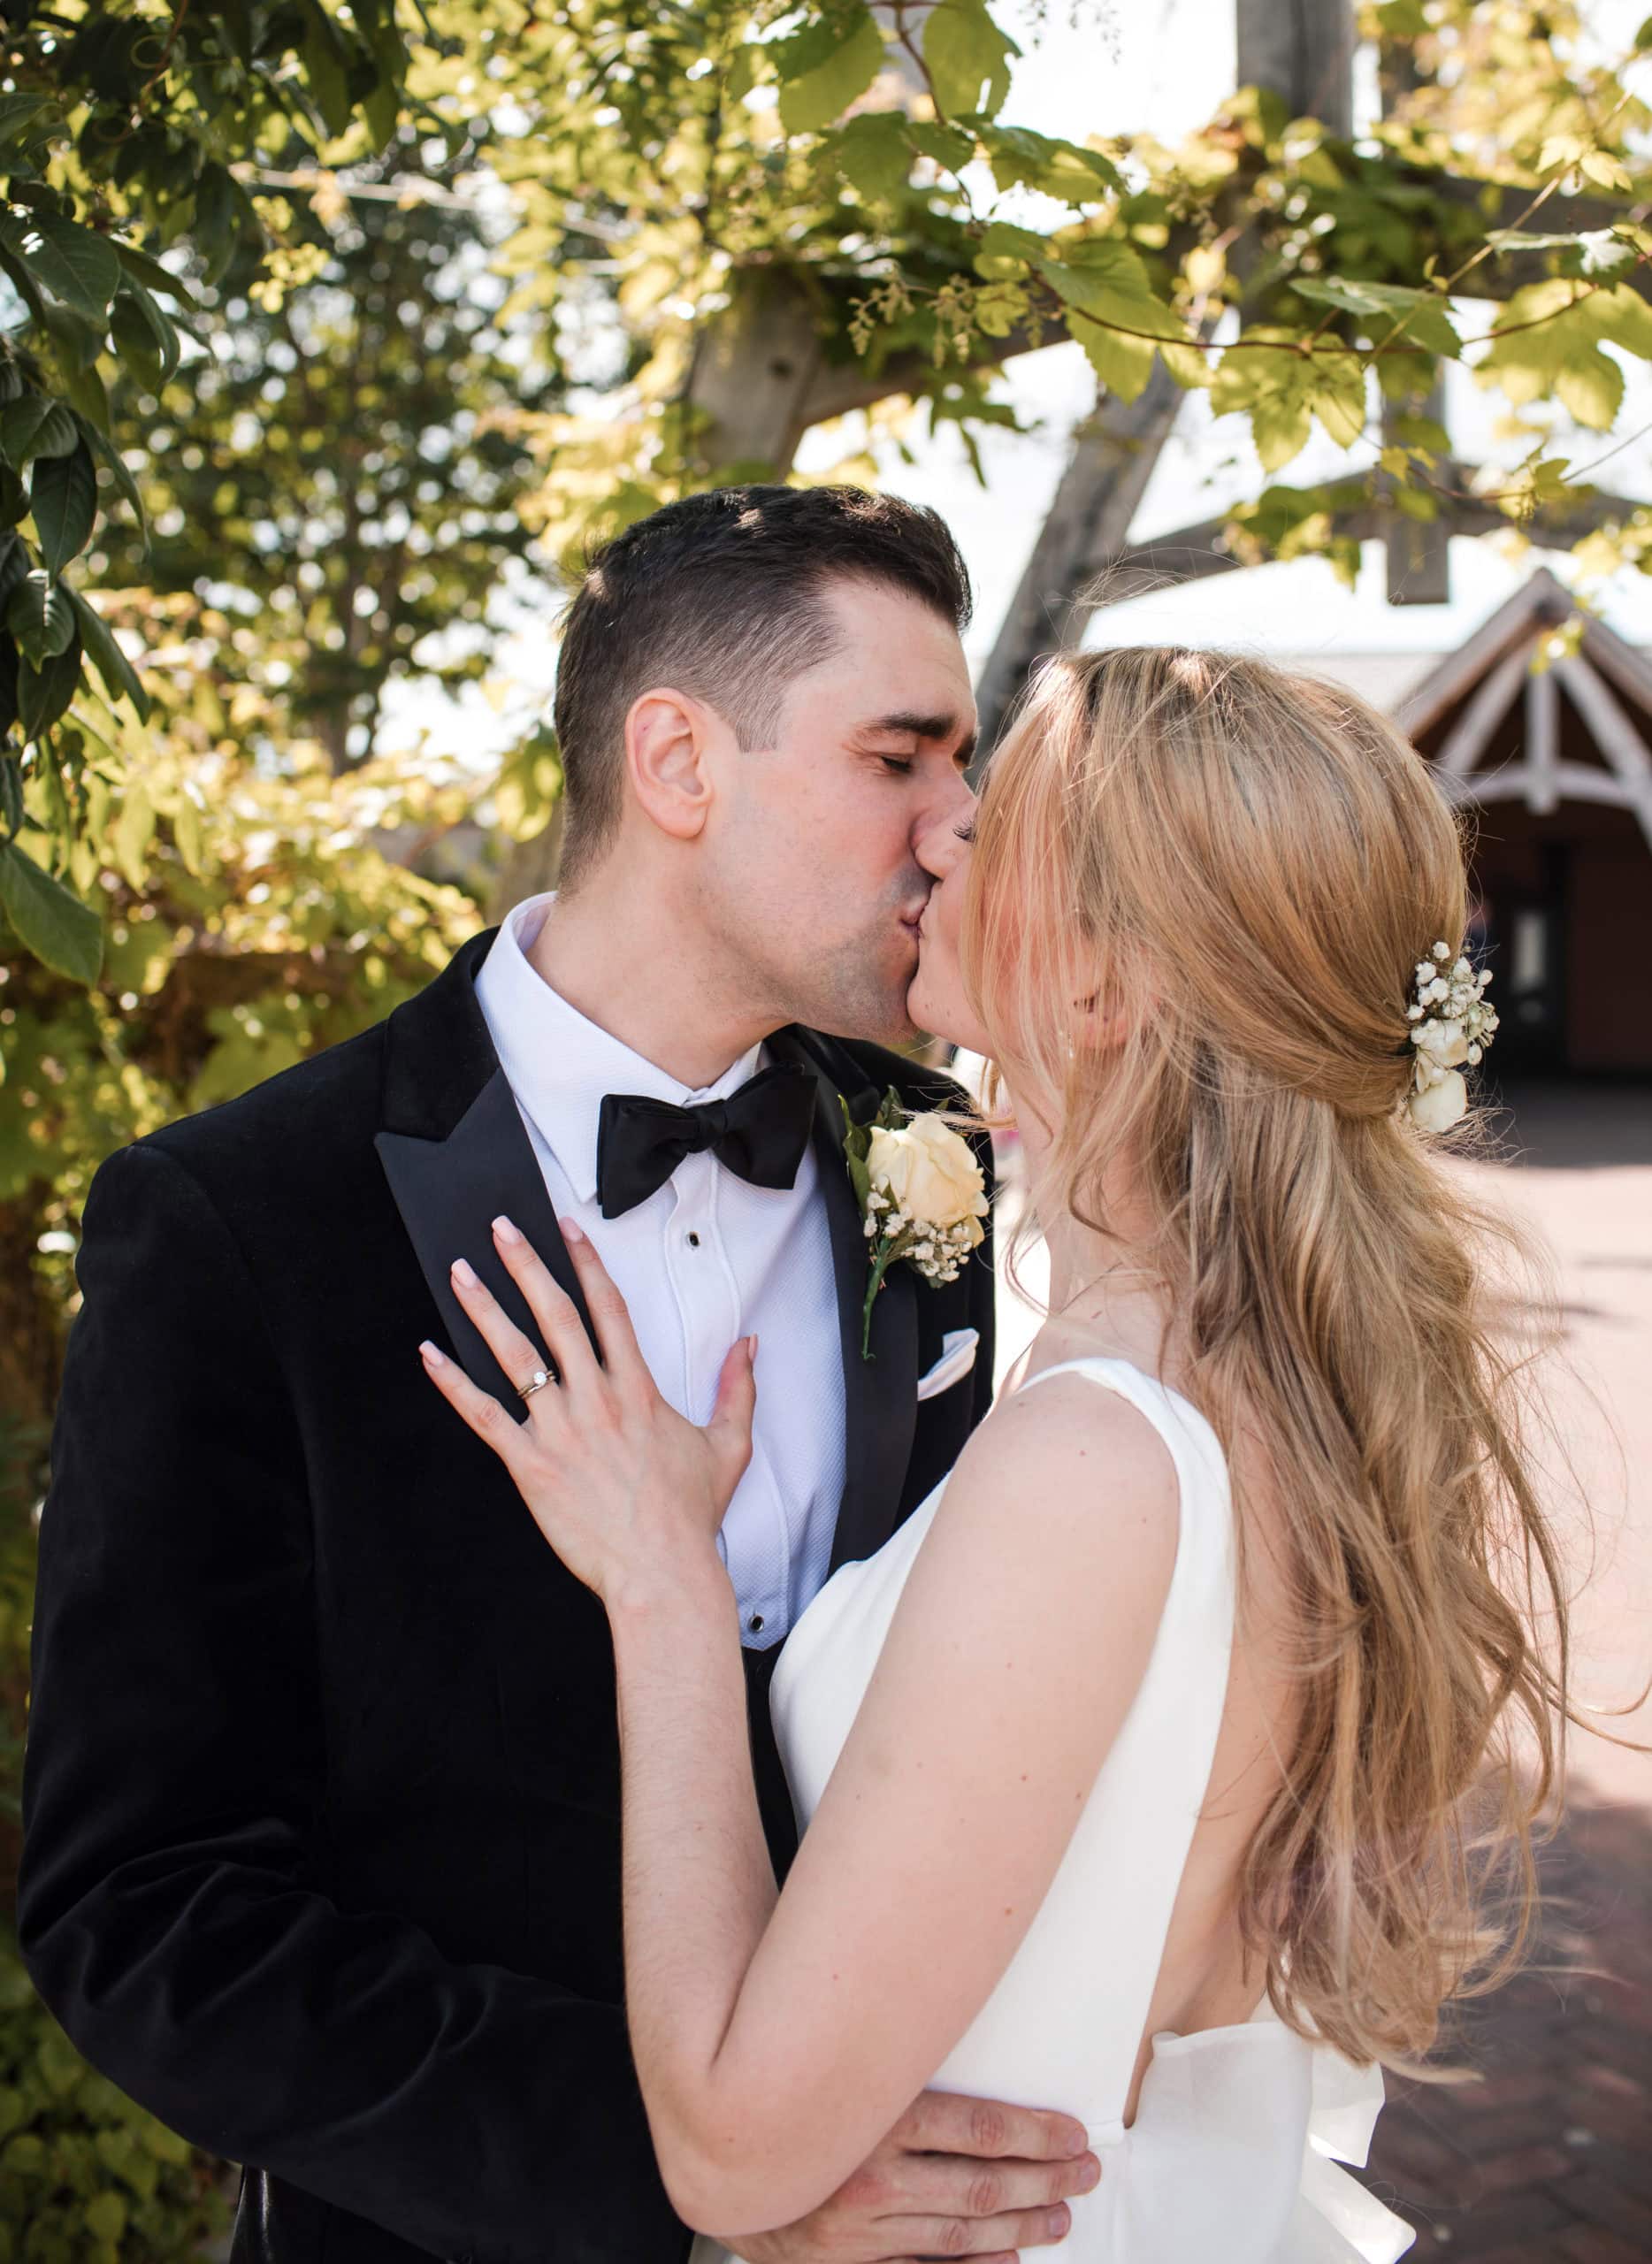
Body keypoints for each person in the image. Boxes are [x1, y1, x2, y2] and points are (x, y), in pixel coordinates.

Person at [18, 486, 1108, 2264]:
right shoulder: (239, 1218)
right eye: (902, 756)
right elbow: (145, 1910)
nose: (956, 827)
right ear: (678, 760)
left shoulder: (938, 1151)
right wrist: (702, 2184)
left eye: (962, 765)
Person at [420, 645, 1573, 2264]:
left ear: (1104, 992)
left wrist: (665, 1586)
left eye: (997, 816)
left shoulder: (1096, 1463)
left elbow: (737, 2160)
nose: (943, 835)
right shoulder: (1257, 1383)